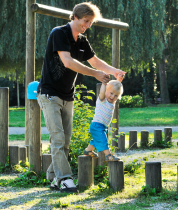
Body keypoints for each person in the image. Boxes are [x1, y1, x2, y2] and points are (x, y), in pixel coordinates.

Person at [36, 2, 126, 194]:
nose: (88, 25)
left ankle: (54, 178)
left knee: (65, 141)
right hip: (49, 94)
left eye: (91, 22)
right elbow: (67, 62)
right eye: (86, 21)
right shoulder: (58, 33)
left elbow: (95, 61)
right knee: (58, 139)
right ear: (75, 17)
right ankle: (66, 179)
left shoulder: (82, 41)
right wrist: (95, 74)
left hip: (67, 96)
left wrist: (114, 70)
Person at [83, 73, 124, 161]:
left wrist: (118, 80)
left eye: (116, 95)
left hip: (102, 126)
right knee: (103, 140)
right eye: (111, 93)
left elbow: (115, 87)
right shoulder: (102, 99)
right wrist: (104, 84)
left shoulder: (112, 102)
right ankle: (108, 155)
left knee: (96, 140)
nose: (113, 96)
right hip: (97, 125)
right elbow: (102, 92)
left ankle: (88, 150)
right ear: (106, 91)